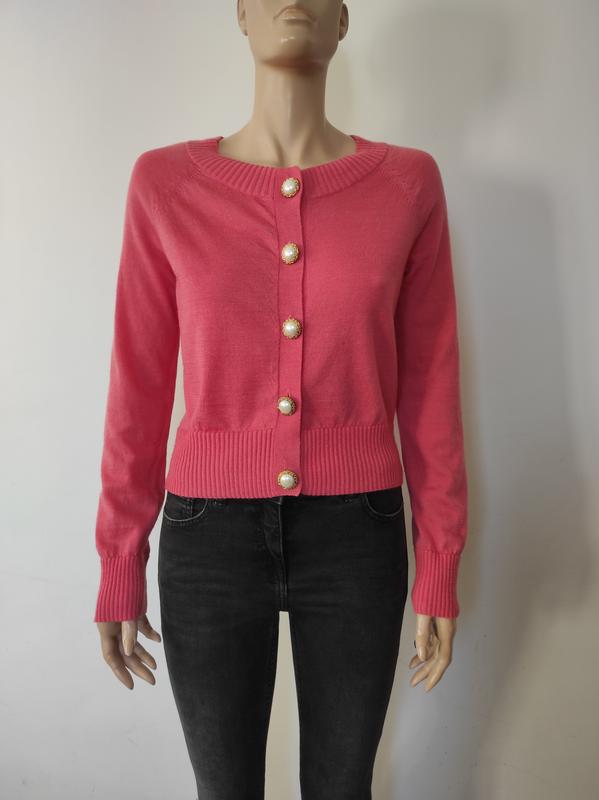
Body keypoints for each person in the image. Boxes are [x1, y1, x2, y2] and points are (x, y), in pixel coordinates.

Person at [93, 2, 468, 797]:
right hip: (207, 536)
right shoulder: (164, 183)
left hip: (357, 531)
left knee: (342, 787)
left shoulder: (407, 183)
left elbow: (431, 386)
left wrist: (439, 559)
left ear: (343, 21)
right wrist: (120, 558)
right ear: (239, 14)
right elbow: (137, 385)